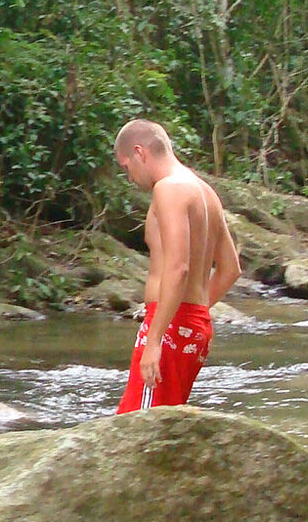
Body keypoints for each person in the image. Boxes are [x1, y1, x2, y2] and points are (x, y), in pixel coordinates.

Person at [111, 119, 242, 414]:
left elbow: (178, 267)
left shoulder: (169, 189)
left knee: (138, 426)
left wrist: (156, 338)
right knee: (161, 426)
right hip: (191, 323)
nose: (129, 177)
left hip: (170, 323)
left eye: (126, 167)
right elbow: (231, 269)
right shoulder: (205, 192)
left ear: (139, 152)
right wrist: (195, 314)